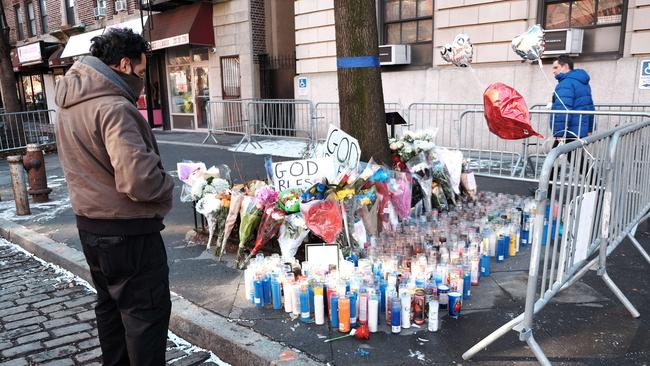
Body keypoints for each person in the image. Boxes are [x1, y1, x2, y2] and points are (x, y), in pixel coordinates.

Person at [54, 28, 174, 366]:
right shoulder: (114, 107)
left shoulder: (69, 103)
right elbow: (139, 182)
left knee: (110, 311)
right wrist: (168, 184)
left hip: (91, 227)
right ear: (124, 64)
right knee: (145, 318)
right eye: (140, 70)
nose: (141, 78)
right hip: (129, 232)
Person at [550, 54, 595, 143]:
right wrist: (589, 129)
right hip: (579, 130)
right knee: (575, 156)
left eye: (556, 67)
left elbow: (562, 108)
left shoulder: (565, 84)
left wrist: (559, 132)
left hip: (569, 130)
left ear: (565, 66)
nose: (553, 71)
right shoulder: (582, 82)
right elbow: (590, 107)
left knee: (555, 155)